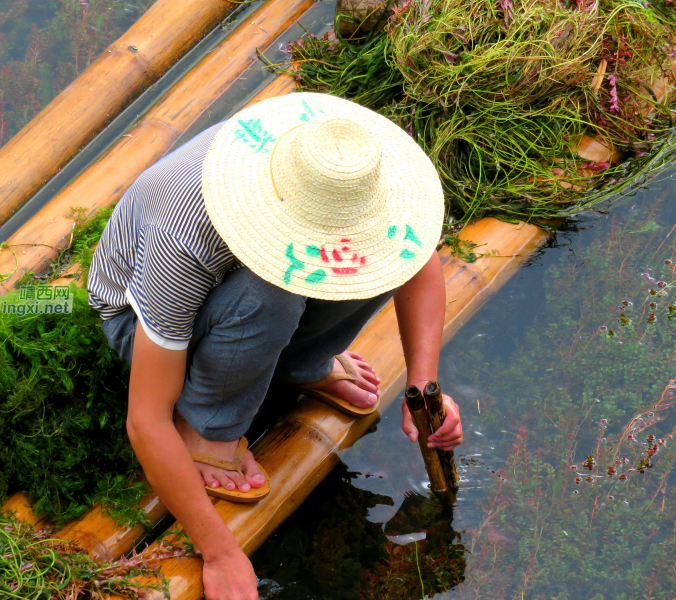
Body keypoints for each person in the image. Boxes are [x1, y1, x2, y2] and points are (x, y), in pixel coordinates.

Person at [87, 92, 463, 600]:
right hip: (136, 315)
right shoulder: (186, 240)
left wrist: (423, 382)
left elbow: (414, 257)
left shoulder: (335, 163)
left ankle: (297, 361)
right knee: (274, 291)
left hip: (241, 283)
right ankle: (206, 424)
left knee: (377, 257)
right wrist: (219, 551)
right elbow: (145, 421)